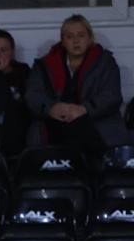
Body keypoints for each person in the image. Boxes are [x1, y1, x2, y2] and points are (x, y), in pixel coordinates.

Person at [25, 14, 128, 156]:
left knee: (77, 127)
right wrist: (52, 108)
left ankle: (79, 171)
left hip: (95, 121)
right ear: (63, 41)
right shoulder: (44, 65)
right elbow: (33, 94)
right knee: (64, 128)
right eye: (69, 36)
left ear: (90, 38)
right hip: (56, 120)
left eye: (81, 35)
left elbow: (111, 96)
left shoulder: (105, 62)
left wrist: (83, 109)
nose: (76, 40)